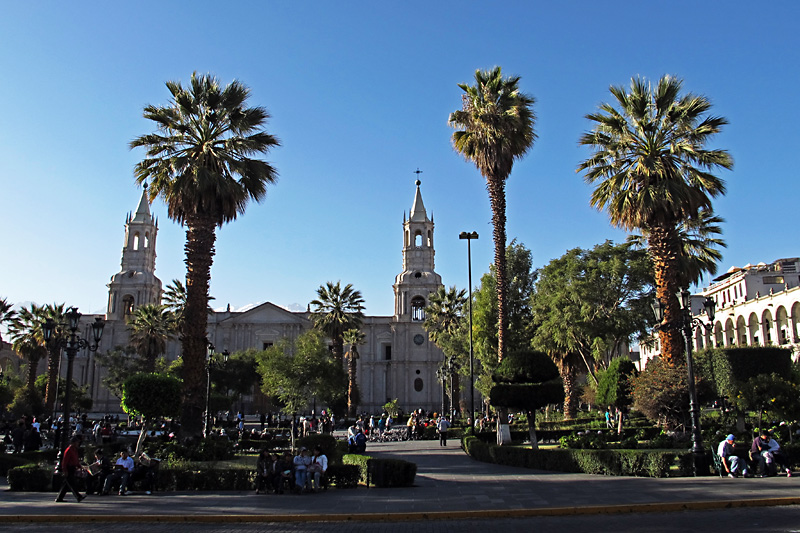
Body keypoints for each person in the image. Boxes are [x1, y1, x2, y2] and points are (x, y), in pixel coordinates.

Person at [55, 436, 85, 502]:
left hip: (72, 468)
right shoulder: (68, 450)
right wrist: (65, 470)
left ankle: (59, 498)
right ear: (73, 443)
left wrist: (79, 466)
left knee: (66, 484)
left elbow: (75, 460)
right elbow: (64, 461)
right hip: (69, 468)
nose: (78, 444)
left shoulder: (75, 450)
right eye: (77, 442)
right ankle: (78, 496)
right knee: (72, 483)